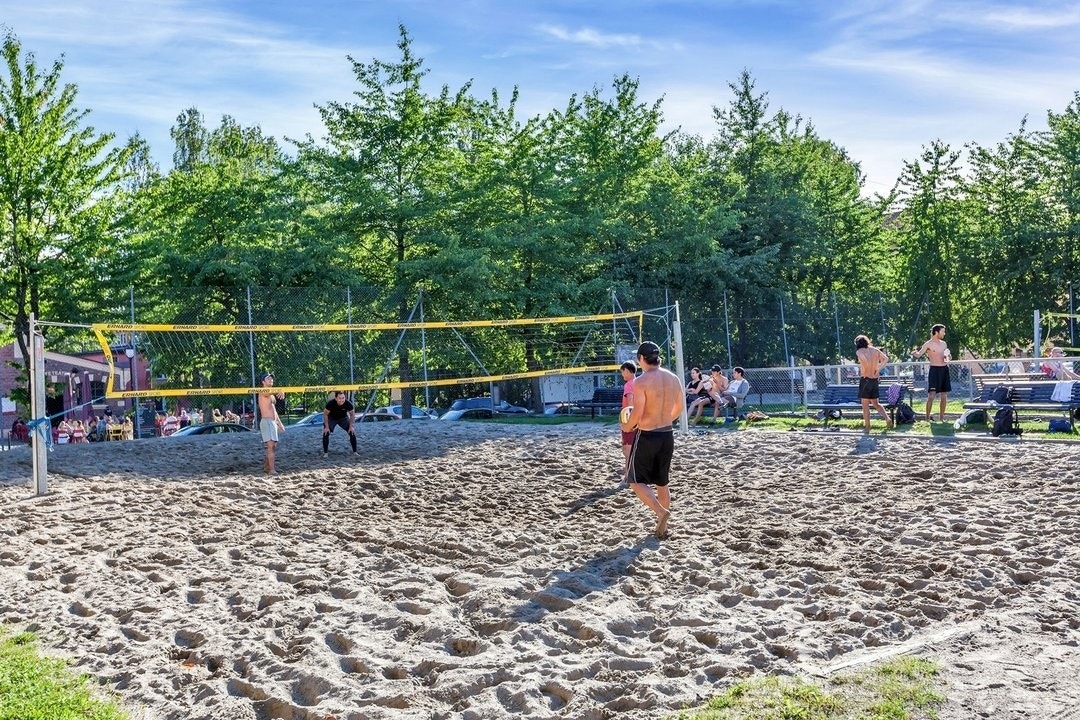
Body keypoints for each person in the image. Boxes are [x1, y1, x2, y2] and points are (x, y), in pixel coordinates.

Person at [621, 341, 684, 539]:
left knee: (635, 480)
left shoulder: (641, 381)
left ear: (641, 359)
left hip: (647, 435)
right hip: (667, 434)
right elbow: (680, 407)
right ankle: (662, 527)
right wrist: (665, 419)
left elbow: (638, 412)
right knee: (662, 483)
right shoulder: (673, 378)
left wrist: (627, 426)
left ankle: (660, 512)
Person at [912, 323, 951, 422]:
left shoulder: (944, 344)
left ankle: (941, 418)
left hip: (944, 370)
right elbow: (919, 354)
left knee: (944, 395)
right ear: (936, 332)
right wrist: (914, 353)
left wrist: (948, 356)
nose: (944, 333)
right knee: (932, 395)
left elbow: (948, 358)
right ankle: (927, 418)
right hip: (934, 370)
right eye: (942, 331)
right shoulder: (928, 344)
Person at [855, 334, 893, 434]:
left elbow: (864, 360)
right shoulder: (875, 350)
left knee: (865, 405)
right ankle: (887, 418)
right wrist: (878, 370)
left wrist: (868, 371)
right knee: (876, 403)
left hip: (866, 379)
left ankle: (867, 428)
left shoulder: (859, 351)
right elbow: (886, 359)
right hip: (875, 380)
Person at [257, 373, 285, 474]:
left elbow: (273, 410)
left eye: (271, 378)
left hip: (272, 422)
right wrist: (280, 390)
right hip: (266, 421)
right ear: (263, 382)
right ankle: (272, 470)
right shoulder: (263, 391)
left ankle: (267, 467)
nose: (271, 380)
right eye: (268, 378)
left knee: (273, 446)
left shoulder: (271, 395)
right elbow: (266, 393)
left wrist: (279, 423)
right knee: (271, 446)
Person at [322, 390, 358, 457]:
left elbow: (352, 415)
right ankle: (325, 453)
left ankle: (355, 452)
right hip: (332, 418)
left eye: (343, 398)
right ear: (336, 398)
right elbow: (325, 414)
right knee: (326, 433)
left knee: (352, 432)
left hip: (343, 418)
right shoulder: (330, 403)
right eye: (340, 398)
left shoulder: (348, 404)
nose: (341, 400)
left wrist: (351, 426)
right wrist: (326, 427)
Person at [618, 361, 637, 480]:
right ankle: (629, 474)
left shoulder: (629, 384)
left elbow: (630, 403)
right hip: (637, 418)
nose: (622, 375)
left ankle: (629, 475)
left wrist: (629, 421)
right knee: (630, 447)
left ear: (627, 370)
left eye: (622, 372)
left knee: (628, 448)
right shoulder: (640, 382)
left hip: (630, 418)